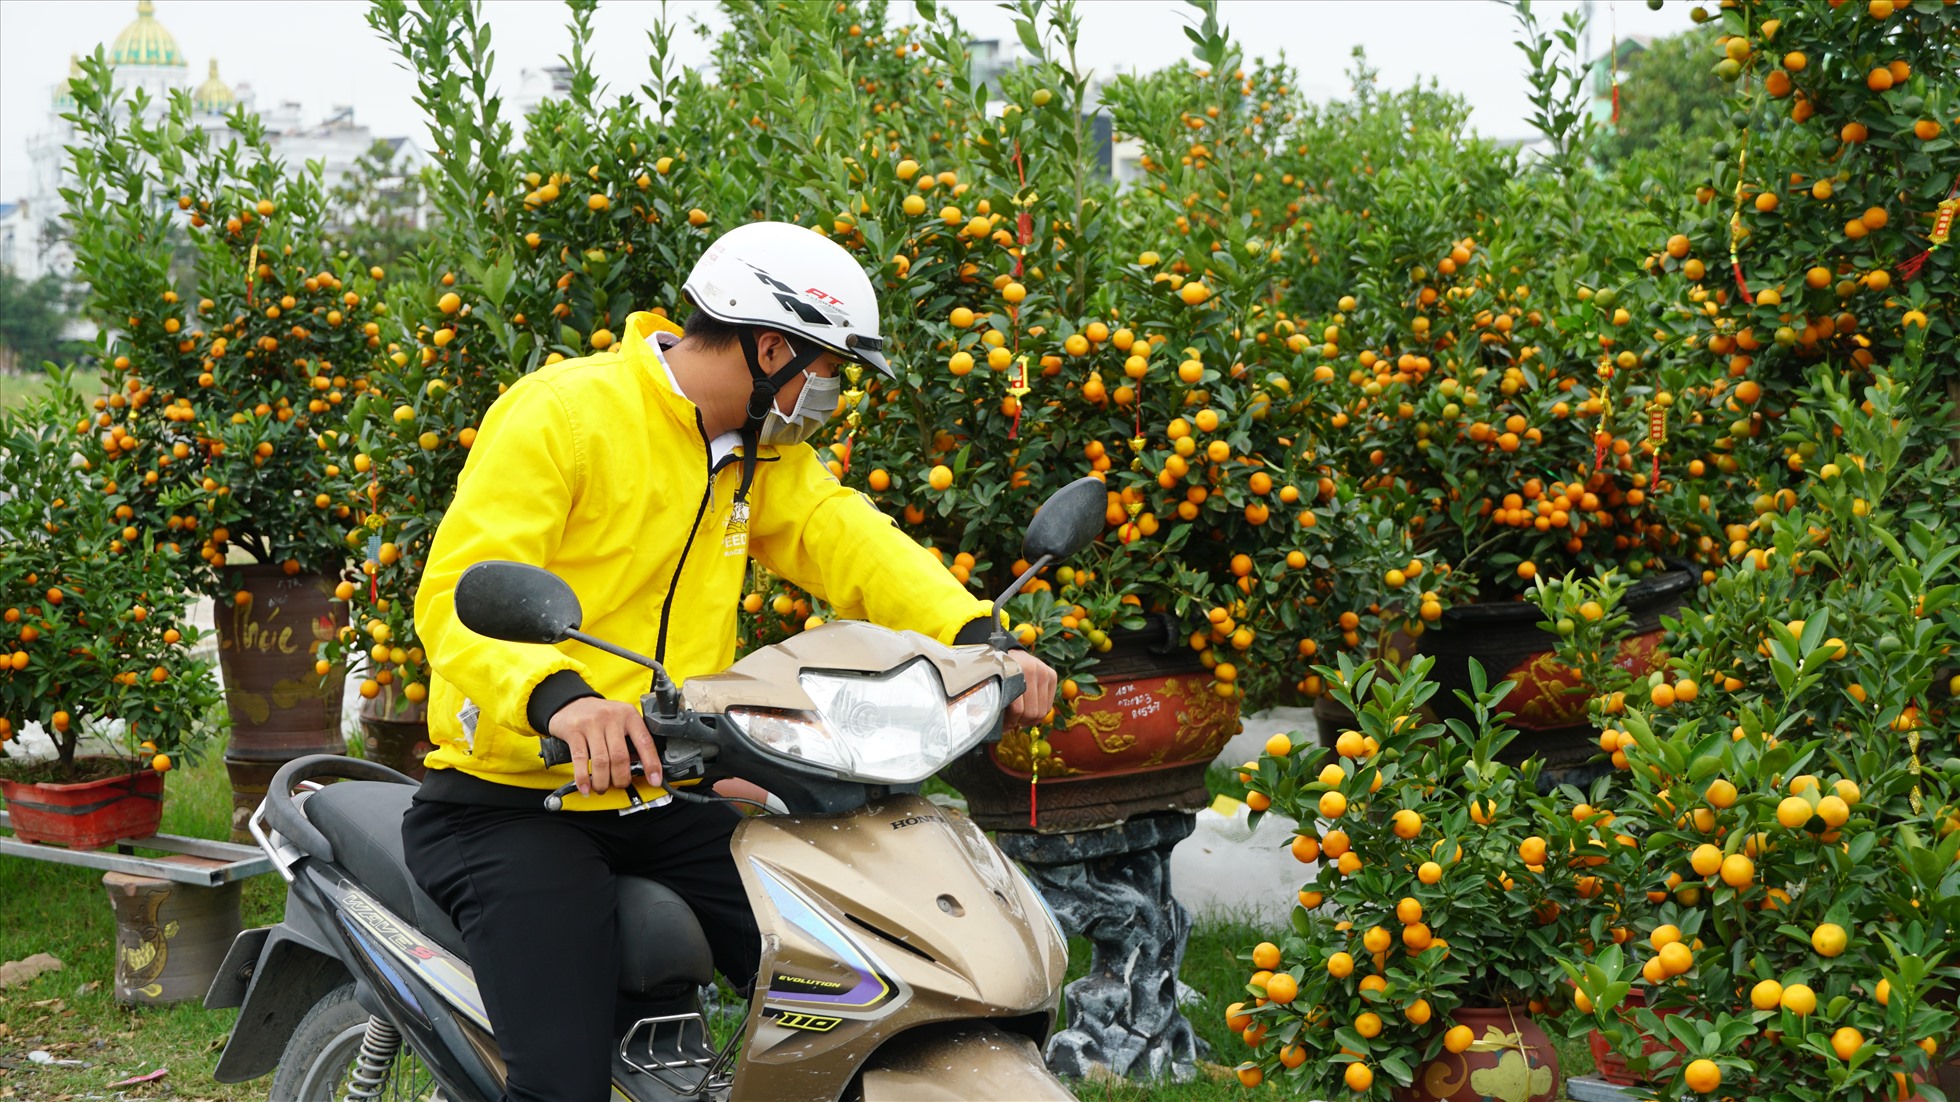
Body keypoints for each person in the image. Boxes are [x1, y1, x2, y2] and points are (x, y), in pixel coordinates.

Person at [400, 220, 1057, 1101]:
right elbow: (458, 593)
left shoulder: (762, 453)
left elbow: (846, 538)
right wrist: (561, 698)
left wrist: (977, 634)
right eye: (828, 371)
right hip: (516, 803)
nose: (831, 395)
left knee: (861, 980)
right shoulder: (565, 415)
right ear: (774, 347)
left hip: (669, 794)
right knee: (558, 1087)